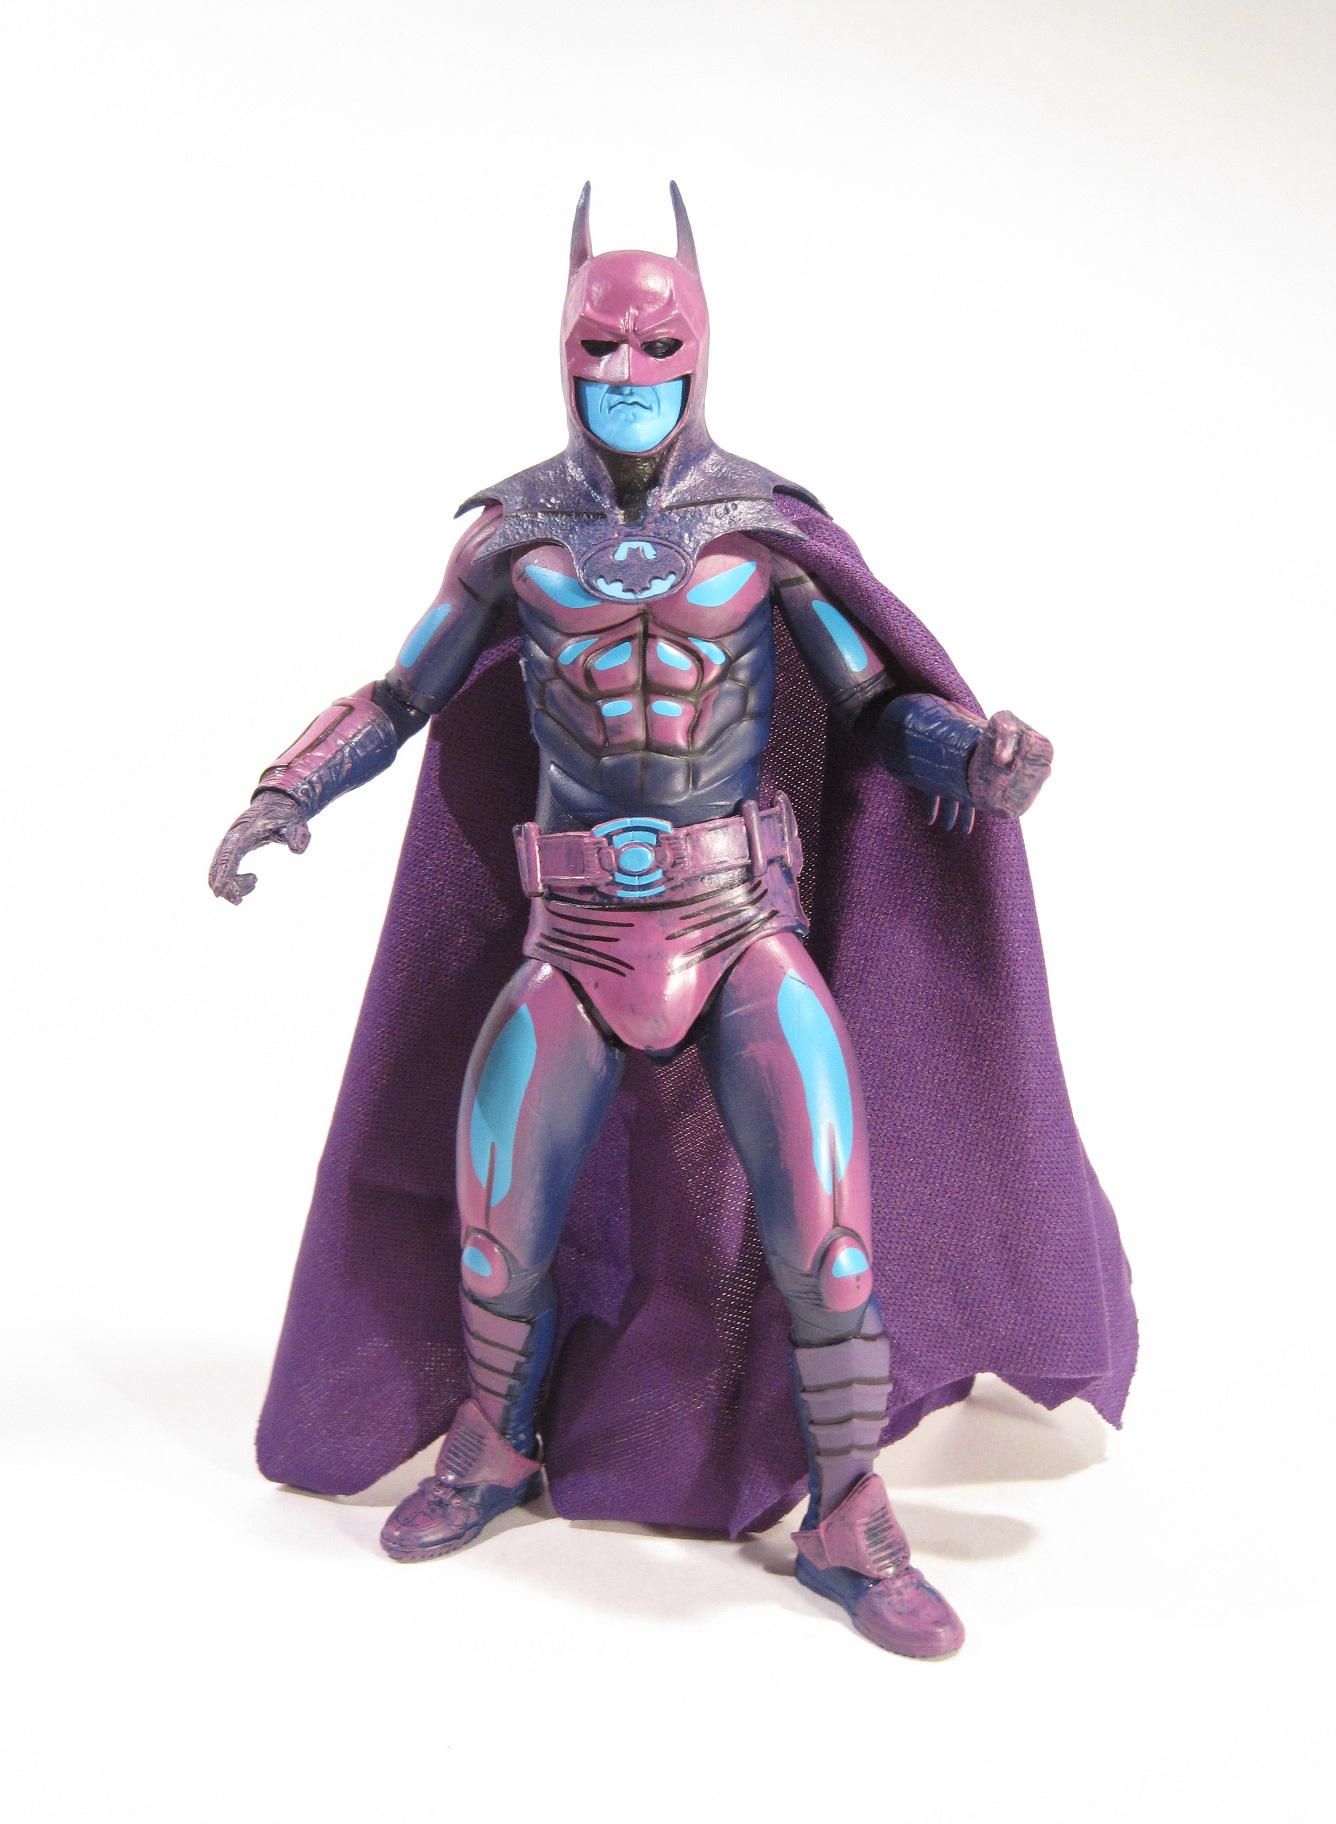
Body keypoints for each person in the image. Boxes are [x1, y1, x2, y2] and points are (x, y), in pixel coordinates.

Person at [211, 184, 1133, 1660]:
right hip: (572, 940)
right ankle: (492, 1448)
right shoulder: (513, 539)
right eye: (600, 347)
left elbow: (875, 709)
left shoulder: (764, 533)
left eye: (656, 347)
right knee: (495, 1234)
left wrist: (975, 759)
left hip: (738, 924)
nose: (628, 375)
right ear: (559, 349)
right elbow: (400, 695)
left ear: (704, 347)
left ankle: (847, 1517)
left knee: (832, 1245)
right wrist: (288, 787)